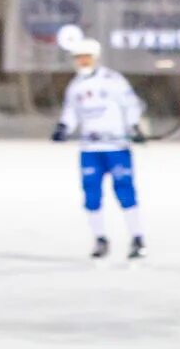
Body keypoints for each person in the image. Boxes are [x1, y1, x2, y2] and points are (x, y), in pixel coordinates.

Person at [53, 38, 147, 261]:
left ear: (95, 58)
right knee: (91, 195)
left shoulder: (113, 80)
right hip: (90, 149)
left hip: (115, 147)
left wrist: (134, 126)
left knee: (124, 191)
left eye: (86, 57)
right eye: (78, 58)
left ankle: (137, 237)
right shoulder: (75, 85)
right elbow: (71, 111)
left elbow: (131, 105)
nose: (83, 61)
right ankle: (100, 239)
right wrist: (63, 127)